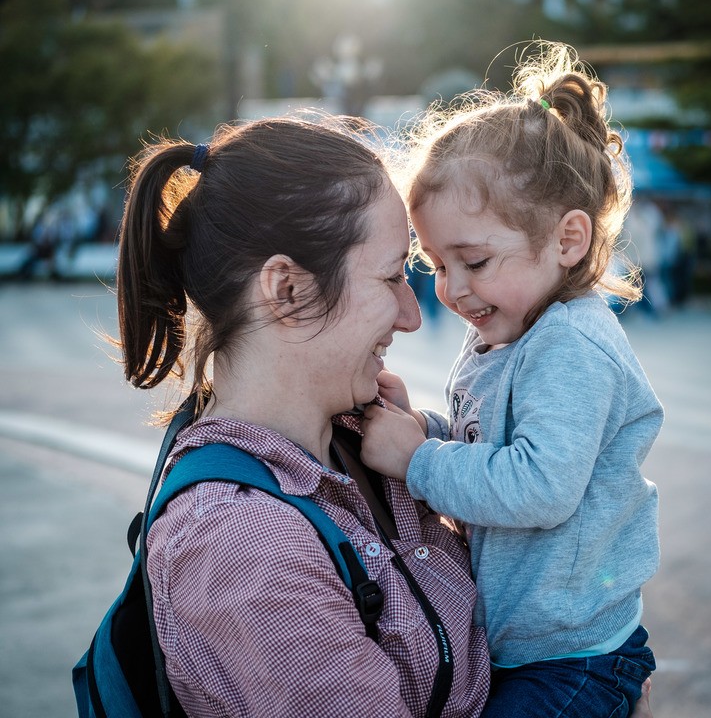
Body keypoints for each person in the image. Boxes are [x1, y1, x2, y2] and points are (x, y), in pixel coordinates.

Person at [115, 116, 491, 717]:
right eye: (393, 276)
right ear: (287, 290)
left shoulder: (365, 436)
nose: (411, 316)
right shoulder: (241, 547)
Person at [361, 43, 663, 718]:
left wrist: (417, 462)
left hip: (577, 660)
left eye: (473, 261)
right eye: (436, 264)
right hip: (530, 648)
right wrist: (426, 429)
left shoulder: (571, 346)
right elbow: (492, 445)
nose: (452, 289)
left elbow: (537, 487)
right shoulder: (512, 332)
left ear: (567, 240)